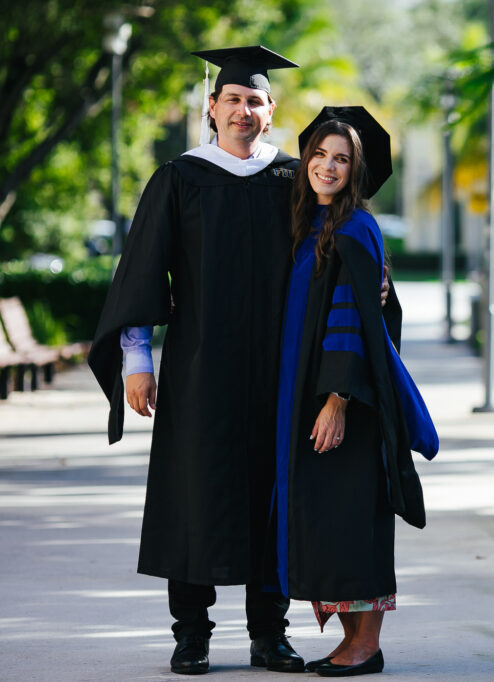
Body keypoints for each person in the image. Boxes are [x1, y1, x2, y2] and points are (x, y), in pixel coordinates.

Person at [89, 46, 308, 675]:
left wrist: (376, 279)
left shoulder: (292, 180)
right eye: (233, 99)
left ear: (272, 111)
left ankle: (270, 634)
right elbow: (139, 273)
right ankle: (192, 635)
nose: (243, 110)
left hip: (277, 368)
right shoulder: (179, 178)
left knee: (271, 494)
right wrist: (137, 360)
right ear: (211, 108)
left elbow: (336, 250)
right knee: (194, 494)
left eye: (255, 101)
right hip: (199, 365)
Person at [273, 106, 438, 678]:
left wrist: (336, 400)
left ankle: (366, 647)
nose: (326, 165)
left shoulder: (355, 227)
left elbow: (353, 320)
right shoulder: (311, 226)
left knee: (351, 519)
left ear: (357, 171)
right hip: (307, 397)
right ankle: (351, 643)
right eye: (318, 154)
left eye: (341, 159)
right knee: (329, 519)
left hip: (343, 404)